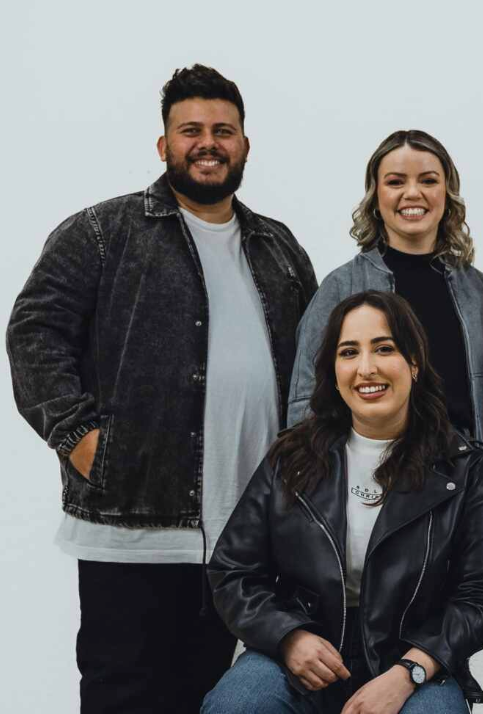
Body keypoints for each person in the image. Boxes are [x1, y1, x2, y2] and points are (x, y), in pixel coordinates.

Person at [6, 64, 317, 713]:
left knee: (208, 699)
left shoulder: (279, 247)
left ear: (245, 144)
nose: (208, 143)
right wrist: (81, 439)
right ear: (163, 144)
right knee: (125, 697)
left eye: (223, 130)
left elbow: (311, 375)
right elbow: (34, 332)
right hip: (133, 531)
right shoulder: (103, 232)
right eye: (190, 130)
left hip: (243, 541)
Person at [204, 291, 483, 714]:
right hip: (303, 648)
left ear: (414, 363)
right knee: (239, 706)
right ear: (334, 370)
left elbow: (482, 595)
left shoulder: (465, 467)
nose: (366, 368)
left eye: (384, 348)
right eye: (349, 352)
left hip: (413, 656)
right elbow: (233, 569)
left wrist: (410, 671)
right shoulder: (290, 456)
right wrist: (289, 636)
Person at [289, 129, 483, 506]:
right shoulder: (340, 289)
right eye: (396, 182)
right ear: (376, 196)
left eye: (428, 180)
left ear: (447, 193)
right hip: (371, 500)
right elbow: (305, 407)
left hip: (471, 497)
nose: (412, 193)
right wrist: (332, 502)